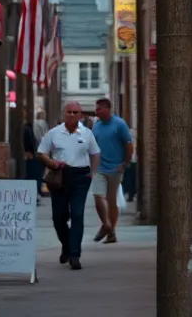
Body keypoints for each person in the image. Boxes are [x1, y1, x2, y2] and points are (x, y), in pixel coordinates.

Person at [37, 101, 100, 270]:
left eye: (75, 112)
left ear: (81, 115)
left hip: (81, 176)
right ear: (63, 114)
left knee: (78, 214)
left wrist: (92, 173)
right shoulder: (53, 133)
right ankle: (66, 245)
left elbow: (95, 153)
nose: (72, 115)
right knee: (59, 217)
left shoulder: (87, 133)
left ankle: (74, 255)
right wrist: (51, 162)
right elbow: (41, 153)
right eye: (69, 112)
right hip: (60, 176)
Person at [91, 97, 134, 244]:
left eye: (99, 109)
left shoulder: (119, 124)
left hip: (115, 168)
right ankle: (106, 224)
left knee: (111, 200)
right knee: (98, 196)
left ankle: (111, 232)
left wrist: (123, 164)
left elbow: (129, 145)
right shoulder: (95, 126)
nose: (96, 111)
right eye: (96, 109)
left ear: (107, 109)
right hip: (99, 168)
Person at [22, 117, 43, 203]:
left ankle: (34, 194)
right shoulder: (30, 129)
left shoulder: (27, 129)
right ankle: (35, 193)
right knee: (35, 177)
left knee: (32, 176)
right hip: (35, 156)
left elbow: (29, 142)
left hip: (32, 156)